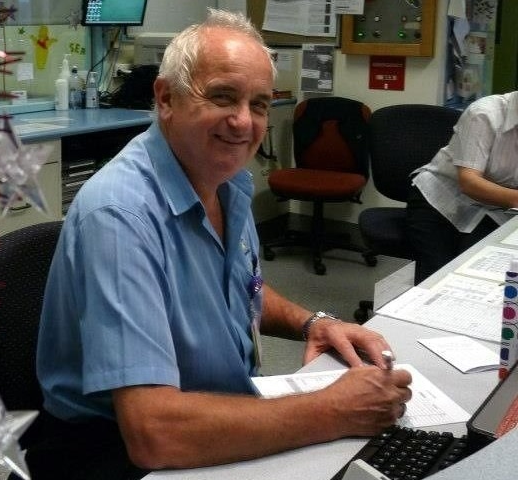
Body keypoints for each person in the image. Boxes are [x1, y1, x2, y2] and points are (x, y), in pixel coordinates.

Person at [32, 8, 412, 479]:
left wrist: (311, 322)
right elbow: (153, 433)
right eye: (222, 97)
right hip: (122, 450)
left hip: (209, 410)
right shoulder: (120, 216)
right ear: (166, 97)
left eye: (258, 104)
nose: (243, 123)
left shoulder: (225, 182)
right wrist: (331, 409)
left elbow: (233, 286)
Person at [407, 91, 518, 284]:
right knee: (438, 281)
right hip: (442, 201)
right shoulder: (484, 113)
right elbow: (470, 183)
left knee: (485, 276)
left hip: (496, 209)